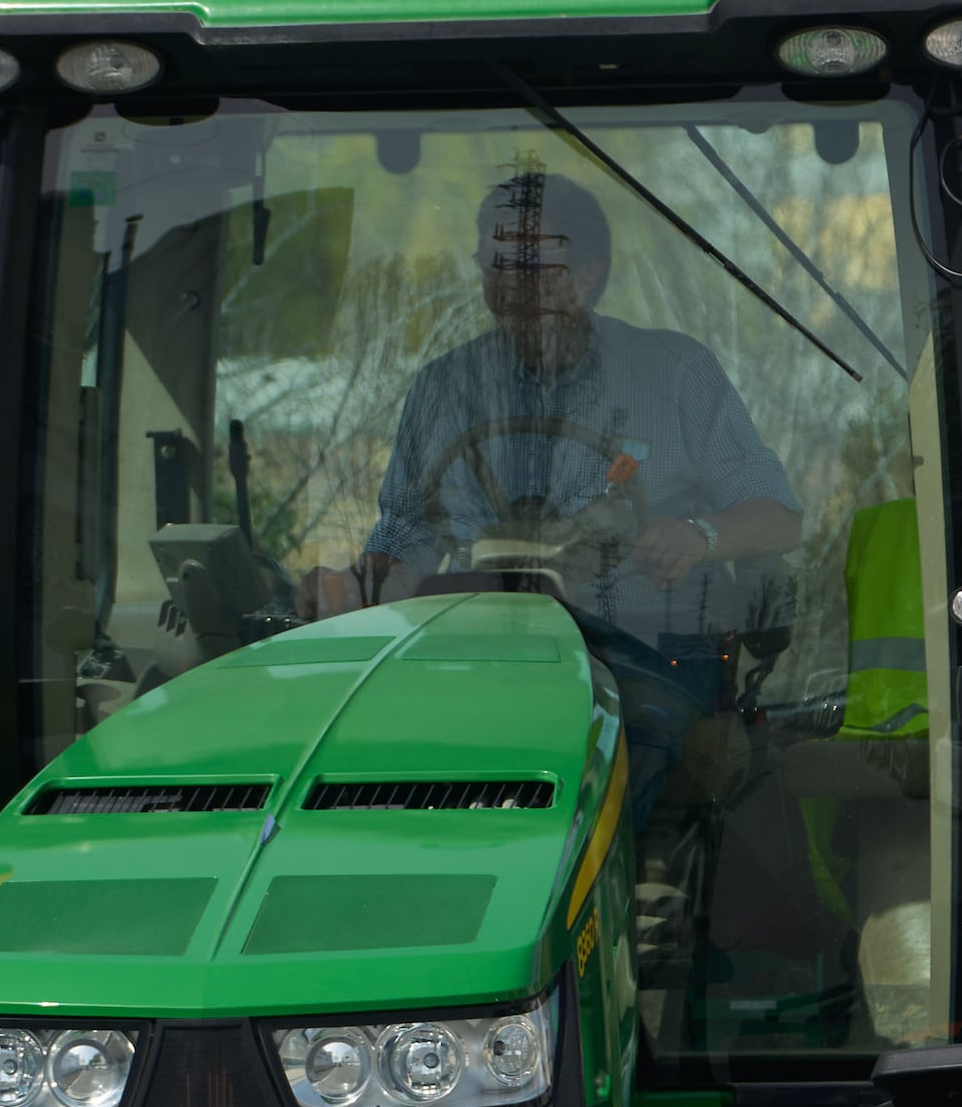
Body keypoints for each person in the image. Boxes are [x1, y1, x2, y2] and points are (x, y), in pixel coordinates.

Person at [309, 169, 806, 815]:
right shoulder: (443, 387)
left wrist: (700, 536)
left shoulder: (675, 373)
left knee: (611, 786)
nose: (511, 281)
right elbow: (407, 536)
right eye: (495, 260)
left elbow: (778, 519)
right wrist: (356, 587)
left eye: (533, 263)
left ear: (589, 272)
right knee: (386, 775)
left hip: (644, 660)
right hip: (479, 662)